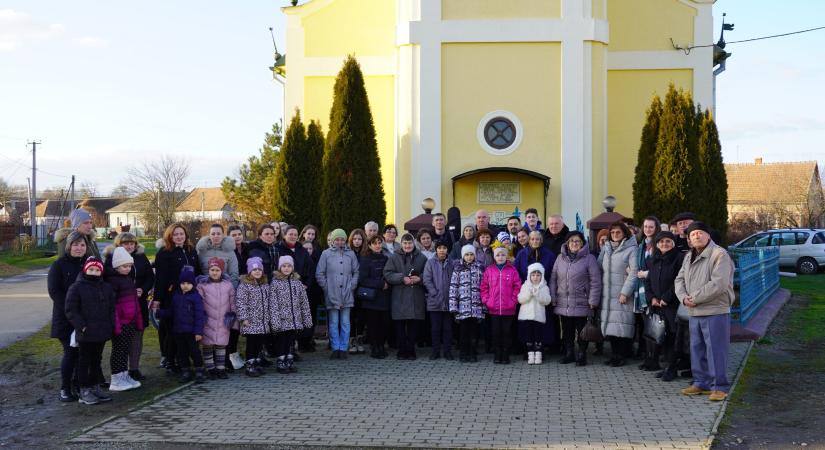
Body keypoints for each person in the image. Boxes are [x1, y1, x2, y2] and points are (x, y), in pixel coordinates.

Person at [676, 222, 735, 402]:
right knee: (697, 349)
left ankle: (720, 387)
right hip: (694, 310)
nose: (696, 236)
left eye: (700, 233)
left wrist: (694, 298)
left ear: (708, 236)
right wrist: (683, 297)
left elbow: (719, 284)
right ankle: (701, 382)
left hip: (715, 309)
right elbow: (679, 279)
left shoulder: (719, 255)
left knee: (716, 350)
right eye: (693, 234)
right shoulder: (689, 256)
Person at [102, 232, 154, 382]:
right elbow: (108, 280)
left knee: (138, 335)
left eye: (132, 243)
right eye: (126, 243)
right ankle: (120, 373)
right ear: (119, 245)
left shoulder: (141, 257)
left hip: (139, 302)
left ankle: (134, 368)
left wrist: (143, 289)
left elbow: (150, 276)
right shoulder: (111, 259)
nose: (130, 246)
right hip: (121, 305)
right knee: (122, 339)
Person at [64, 257, 115, 405]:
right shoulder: (77, 287)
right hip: (86, 332)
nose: (94, 272)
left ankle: (95, 386)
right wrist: (82, 326)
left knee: (96, 361)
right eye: (91, 269)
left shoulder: (106, 287)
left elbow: (111, 308)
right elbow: (71, 309)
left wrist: (110, 325)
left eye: (97, 270)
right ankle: (83, 389)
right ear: (85, 270)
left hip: (102, 331)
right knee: (83, 361)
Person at [152, 223, 201, 373]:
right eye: (175, 234)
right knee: (171, 331)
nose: (179, 237)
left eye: (181, 234)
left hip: (190, 296)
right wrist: (158, 299)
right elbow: (160, 278)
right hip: (171, 296)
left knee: (187, 329)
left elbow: (197, 271)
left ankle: (185, 360)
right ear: (170, 236)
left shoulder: (191, 251)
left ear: (186, 235)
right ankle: (169, 360)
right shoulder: (164, 253)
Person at [550, 231, 602, 366]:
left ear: (582, 243)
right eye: (571, 241)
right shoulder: (559, 258)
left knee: (582, 331)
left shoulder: (589, 258)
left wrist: (593, 301)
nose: (574, 243)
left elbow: (595, 281)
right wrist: (553, 297)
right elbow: (553, 279)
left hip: (582, 301)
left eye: (577, 241)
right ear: (567, 243)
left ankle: (582, 354)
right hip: (563, 302)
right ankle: (569, 353)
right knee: (567, 330)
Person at [48, 231, 87, 402]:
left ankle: (79, 385)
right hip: (65, 317)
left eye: (82, 245)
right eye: (76, 244)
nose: (79, 248)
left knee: (83, 353)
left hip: (85, 317)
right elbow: (54, 291)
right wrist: (71, 309)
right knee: (71, 353)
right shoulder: (59, 265)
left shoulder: (88, 263)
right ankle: (65, 388)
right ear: (69, 246)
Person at [197, 224, 241, 370]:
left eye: (218, 233)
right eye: (213, 233)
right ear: (209, 235)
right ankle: (210, 364)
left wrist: (229, 291)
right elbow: (199, 271)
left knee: (224, 328)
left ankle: (223, 361)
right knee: (208, 328)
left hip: (224, 294)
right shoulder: (202, 251)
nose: (216, 236)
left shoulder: (230, 252)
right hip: (206, 294)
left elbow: (234, 274)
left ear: (223, 235)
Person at [644, 231, 684, 382]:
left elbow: (680, 280)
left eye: (668, 241)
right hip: (657, 306)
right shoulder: (653, 259)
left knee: (674, 337)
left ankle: (673, 368)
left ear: (673, 243)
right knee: (663, 337)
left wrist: (666, 298)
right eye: (661, 242)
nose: (664, 244)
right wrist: (652, 298)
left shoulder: (679, 258)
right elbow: (647, 281)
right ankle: (667, 366)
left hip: (672, 305)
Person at [598, 221, 639, 367]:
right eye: (613, 232)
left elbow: (634, 272)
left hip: (622, 294)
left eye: (618, 232)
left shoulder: (632, 249)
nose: (615, 235)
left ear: (624, 234)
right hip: (608, 294)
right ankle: (614, 355)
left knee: (622, 326)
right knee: (611, 327)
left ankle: (621, 356)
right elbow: (599, 266)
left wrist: (625, 292)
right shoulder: (607, 248)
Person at [316, 228, 359, 359]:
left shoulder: (351, 254)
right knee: (334, 322)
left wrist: (352, 285)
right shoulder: (326, 254)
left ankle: (343, 348)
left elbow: (356, 271)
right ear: (333, 240)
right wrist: (327, 288)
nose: (340, 242)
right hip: (332, 293)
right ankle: (335, 348)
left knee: (345, 322)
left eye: (342, 239)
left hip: (347, 292)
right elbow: (319, 273)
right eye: (337, 239)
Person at [384, 233, 428, 360]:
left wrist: (419, 278)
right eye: (405, 243)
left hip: (415, 295)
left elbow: (429, 272)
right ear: (401, 244)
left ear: (414, 243)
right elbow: (387, 273)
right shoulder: (394, 257)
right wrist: (401, 278)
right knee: (400, 325)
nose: (407, 246)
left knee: (413, 325)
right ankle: (402, 350)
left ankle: (411, 349)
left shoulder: (421, 257)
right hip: (400, 295)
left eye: (409, 243)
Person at [106, 247, 144, 392]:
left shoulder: (127, 279)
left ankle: (123, 375)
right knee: (118, 350)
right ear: (116, 266)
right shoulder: (113, 281)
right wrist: (116, 325)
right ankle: (116, 379)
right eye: (124, 266)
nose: (127, 269)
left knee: (125, 349)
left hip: (130, 322)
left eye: (129, 266)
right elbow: (112, 305)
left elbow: (134, 302)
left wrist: (138, 321)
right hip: (120, 323)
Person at [161, 267, 206, 384]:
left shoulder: (196, 297)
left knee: (194, 351)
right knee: (182, 352)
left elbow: (200, 316)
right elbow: (172, 311)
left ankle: (199, 370)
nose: (185, 286)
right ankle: (186, 370)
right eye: (183, 283)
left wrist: (198, 332)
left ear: (193, 284)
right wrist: (161, 312)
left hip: (191, 332)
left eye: (188, 283)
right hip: (179, 330)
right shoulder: (176, 296)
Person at [270, 255, 313, 374]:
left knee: (291, 341)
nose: (286, 268)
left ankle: (289, 359)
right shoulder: (275, 283)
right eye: (284, 266)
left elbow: (304, 302)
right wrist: (275, 320)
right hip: (282, 319)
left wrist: (306, 319)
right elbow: (273, 304)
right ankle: (281, 360)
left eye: (289, 266)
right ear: (280, 268)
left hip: (295, 319)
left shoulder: (297, 283)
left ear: (292, 268)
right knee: (282, 341)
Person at [196, 257, 236, 379]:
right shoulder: (202, 286)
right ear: (208, 271)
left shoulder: (228, 285)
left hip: (223, 321)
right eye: (212, 270)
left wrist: (233, 318)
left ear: (222, 271)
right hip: (207, 320)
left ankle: (220, 368)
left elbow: (233, 302)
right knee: (207, 345)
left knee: (221, 345)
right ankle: (210, 369)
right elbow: (198, 303)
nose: (214, 272)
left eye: (217, 270)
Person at [481, 247, 521, 364]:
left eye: (503, 255)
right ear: (494, 257)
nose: (500, 257)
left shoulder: (512, 270)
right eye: (498, 255)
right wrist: (487, 300)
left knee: (507, 332)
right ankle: (497, 354)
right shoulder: (489, 270)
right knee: (496, 332)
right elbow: (484, 287)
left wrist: (513, 301)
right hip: (493, 309)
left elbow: (517, 287)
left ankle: (506, 354)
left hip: (508, 309)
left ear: (506, 256)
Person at [449, 244, 485, 363]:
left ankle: (472, 352)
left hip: (476, 306)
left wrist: (484, 306)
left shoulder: (479, 268)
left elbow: (484, 287)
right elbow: (453, 288)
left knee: (474, 332)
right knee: (464, 332)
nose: (469, 257)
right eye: (467, 255)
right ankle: (464, 353)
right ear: (463, 256)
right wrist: (453, 306)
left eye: (471, 254)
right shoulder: (458, 269)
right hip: (462, 307)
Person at [235, 257, 271, 377]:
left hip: (262, 321)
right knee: (251, 343)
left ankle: (256, 362)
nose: (257, 272)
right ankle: (250, 364)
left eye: (259, 270)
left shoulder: (264, 285)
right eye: (254, 269)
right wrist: (244, 318)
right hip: (250, 321)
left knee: (259, 343)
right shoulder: (244, 286)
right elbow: (240, 303)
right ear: (249, 271)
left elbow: (268, 302)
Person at [358, 235, 391, 358]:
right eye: (374, 243)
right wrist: (380, 284)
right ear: (370, 245)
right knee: (373, 324)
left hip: (384, 297)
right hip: (371, 298)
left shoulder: (386, 258)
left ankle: (381, 345)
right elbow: (363, 280)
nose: (377, 245)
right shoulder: (365, 259)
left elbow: (390, 274)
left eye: (379, 242)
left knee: (384, 323)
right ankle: (374, 347)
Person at [636, 216, 661, 369]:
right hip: (642, 292)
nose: (648, 229)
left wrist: (646, 274)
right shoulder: (642, 246)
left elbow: (660, 268)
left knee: (655, 328)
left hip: (654, 291)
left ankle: (654, 360)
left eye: (651, 227)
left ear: (656, 228)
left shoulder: (658, 245)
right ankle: (648, 358)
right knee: (646, 327)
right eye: (645, 226)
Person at [423, 241, 454, 360]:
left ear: (447, 250)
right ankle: (435, 351)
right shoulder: (430, 263)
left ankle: (447, 351)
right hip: (434, 301)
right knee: (435, 328)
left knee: (448, 328)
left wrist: (452, 294)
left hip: (448, 301)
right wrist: (434, 293)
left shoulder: (452, 263)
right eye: (439, 248)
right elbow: (427, 279)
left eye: (444, 247)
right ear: (436, 250)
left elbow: (455, 279)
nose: (442, 250)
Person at [517, 263, 552, 365]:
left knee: (538, 337)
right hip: (526, 316)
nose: (535, 277)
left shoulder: (544, 287)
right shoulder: (525, 286)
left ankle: (538, 354)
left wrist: (537, 294)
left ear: (542, 276)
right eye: (533, 275)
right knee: (528, 337)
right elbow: (520, 299)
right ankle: (530, 355)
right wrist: (528, 294)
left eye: (538, 275)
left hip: (538, 317)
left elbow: (547, 300)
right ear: (529, 276)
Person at [298, 224, 322, 352]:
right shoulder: (299, 250)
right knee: (301, 316)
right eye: (309, 234)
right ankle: (301, 342)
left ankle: (309, 340)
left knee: (311, 316)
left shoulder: (318, 251)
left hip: (313, 289)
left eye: (313, 234)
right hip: (301, 288)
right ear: (303, 234)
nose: (311, 236)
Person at [346, 228, 368, 353]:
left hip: (362, 288)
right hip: (350, 288)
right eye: (355, 239)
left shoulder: (366, 253)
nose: (357, 241)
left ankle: (359, 339)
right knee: (350, 315)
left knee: (361, 315)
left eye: (359, 239)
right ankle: (352, 340)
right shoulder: (347, 253)